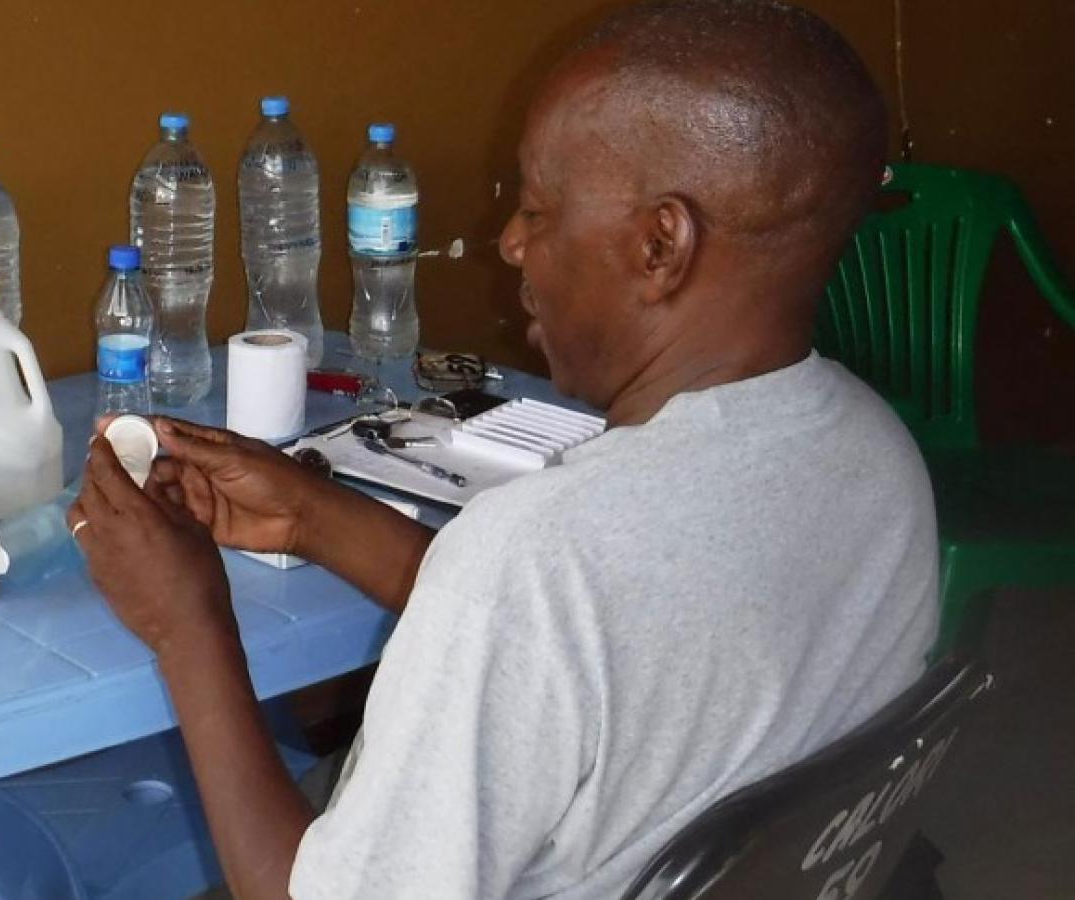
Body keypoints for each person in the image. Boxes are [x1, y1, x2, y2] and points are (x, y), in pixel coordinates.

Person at [65, 0, 939, 896]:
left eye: (537, 207)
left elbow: (530, 610)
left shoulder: (534, 561)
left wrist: (187, 624)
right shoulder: (880, 458)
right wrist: (309, 514)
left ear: (659, 245)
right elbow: (579, 642)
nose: (513, 244)